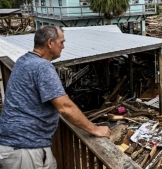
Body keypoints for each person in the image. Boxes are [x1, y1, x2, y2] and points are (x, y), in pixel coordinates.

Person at [0, 26, 111, 169]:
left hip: (18, 143)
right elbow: (65, 107)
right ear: (50, 43)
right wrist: (95, 129)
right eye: (61, 42)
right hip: (24, 147)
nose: (63, 47)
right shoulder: (42, 67)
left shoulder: (23, 60)